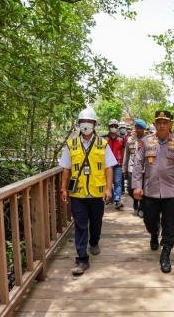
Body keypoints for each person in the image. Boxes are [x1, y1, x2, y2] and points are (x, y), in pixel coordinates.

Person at [59, 107, 117, 276]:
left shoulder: (102, 144)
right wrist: (63, 189)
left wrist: (108, 188)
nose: (86, 125)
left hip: (97, 191)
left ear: (94, 124)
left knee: (96, 221)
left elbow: (109, 168)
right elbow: (65, 169)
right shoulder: (71, 144)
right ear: (79, 124)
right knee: (80, 225)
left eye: (89, 122)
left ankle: (94, 241)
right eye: (83, 122)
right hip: (77, 193)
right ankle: (82, 259)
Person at [132, 110, 174, 273]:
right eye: (159, 122)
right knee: (149, 221)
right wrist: (137, 185)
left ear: (170, 124)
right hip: (149, 190)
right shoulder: (146, 142)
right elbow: (138, 165)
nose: (162, 125)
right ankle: (153, 232)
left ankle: (165, 253)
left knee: (169, 224)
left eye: (165, 122)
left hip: (171, 192)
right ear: (154, 124)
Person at [123, 119, 147, 217]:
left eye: (140, 128)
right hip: (131, 168)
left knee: (142, 188)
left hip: (143, 169)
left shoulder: (147, 140)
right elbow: (126, 155)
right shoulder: (130, 140)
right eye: (137, 128)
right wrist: (124, 167)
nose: (138, 130)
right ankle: (135, 201)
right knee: (130, 188)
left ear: (143, 129)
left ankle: (141, 207)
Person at [101, 119, 126, 209]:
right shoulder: (103, 139)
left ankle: (117, 199)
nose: (113, 128)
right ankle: (109, 197)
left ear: (117, 128)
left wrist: (124, 165)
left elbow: (123, 152)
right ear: (108, 127)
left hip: (118, 163)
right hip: (106, 164)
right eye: (112, 126)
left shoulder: (121, 139)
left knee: (117, 182)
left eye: (115, 127)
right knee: (107, 182)